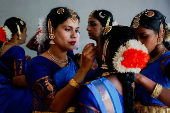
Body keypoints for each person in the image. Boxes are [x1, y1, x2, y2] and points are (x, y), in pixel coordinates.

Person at [26, 7, 96, 112]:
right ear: (52, 30)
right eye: (68, 29)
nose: (74, 35)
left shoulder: (71, 59)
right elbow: (55, 106)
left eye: (76, 30)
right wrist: (83, 70)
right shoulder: (37, 64)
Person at [76, 26, 150, 113]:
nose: (95, 49)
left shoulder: (91, 92)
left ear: (106, 54)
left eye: (98, 45)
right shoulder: (133, 84)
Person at [130, 9, 170, 112]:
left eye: (144, 36)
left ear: (161, 34)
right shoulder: (141, 59)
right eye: (134, 37)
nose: (137, 42)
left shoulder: (167, 61)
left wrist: (141, 79)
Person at [0, 17, 31, 113]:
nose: (26, 35)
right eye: (25, 31)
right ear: (18, 33)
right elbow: (18, 79)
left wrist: (24, 62)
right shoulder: (17, 50)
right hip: (14, 96)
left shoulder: (3, 47)